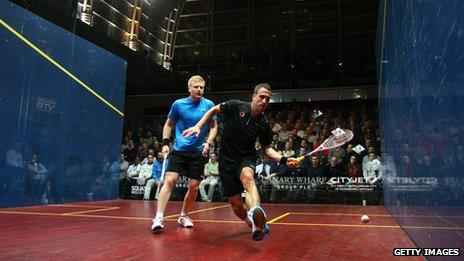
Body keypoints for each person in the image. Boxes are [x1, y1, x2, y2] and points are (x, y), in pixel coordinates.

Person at [183, 83, 299, 241]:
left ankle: (257, 222)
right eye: (262, 97)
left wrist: (284, 160)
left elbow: (266, 149)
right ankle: (251, 221)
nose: (264, 101)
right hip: (225, 161)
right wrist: (198, 126)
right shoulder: (236, 106)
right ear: (253, 96)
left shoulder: (264, 124)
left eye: (268, 99)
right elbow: (213, 110)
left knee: (248, 178)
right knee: (236, 206)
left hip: (246, 158)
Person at [151, 75, 217, 232]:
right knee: (170, 180)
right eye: (196, 87)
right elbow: (168, 125)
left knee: (194, 187)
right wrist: (165, 144)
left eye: (202, 87)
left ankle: (184, 215)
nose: (199, 89)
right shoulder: (178, 105)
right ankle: (159, 217)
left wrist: (208, 142)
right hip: (179, 151)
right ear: (189, 88)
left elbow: (214, 127)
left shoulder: (209, 104)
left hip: (198, 153)